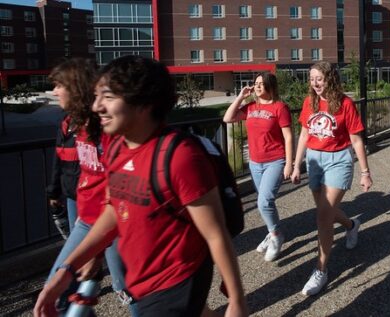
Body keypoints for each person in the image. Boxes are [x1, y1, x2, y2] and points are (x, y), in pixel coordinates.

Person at [34, 56, 248, 316]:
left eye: (108, 97)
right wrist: (67, 270)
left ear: (143, 104)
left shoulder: (180, 156)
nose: (97, 106)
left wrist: (236, 301)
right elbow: (114, 209)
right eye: (97, 96)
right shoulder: (115, 147)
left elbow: (216, 234)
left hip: (175, 285)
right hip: (140, 283)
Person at [43, 58, 137, 316]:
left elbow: (120, 184)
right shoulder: (75, 124)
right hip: (86, 218)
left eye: (59, 85)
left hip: (113, 221)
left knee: (127, 288)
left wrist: (96, 252)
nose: (54, 91)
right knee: (60, 287)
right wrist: (56, 192)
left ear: (74, 88)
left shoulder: (106, 126)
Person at [290, 61, 372, 296]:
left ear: (330, 79)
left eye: (320, 78)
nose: (315, 83)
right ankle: (351, 225)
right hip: (315, 161)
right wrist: (296, 165)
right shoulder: (310, 102)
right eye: (312, 78)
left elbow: (356, 140)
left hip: (338, 160)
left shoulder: (345, 103)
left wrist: (365, 172)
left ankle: (321, 270)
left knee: (323, 217)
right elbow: (305, 134)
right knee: (325, 211)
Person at [223, 72, 293, 262]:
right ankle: (272, 232)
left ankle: (277, 236)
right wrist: (240, 97)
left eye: (262, 83)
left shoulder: (280, 108)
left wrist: (289, 163)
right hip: (255, 163)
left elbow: (288, 136)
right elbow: (228, 119)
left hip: (275, 160)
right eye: (256, 83)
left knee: (263, 202)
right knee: (266, 203)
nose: (258, 86)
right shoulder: (251, 107)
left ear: (271, 86)